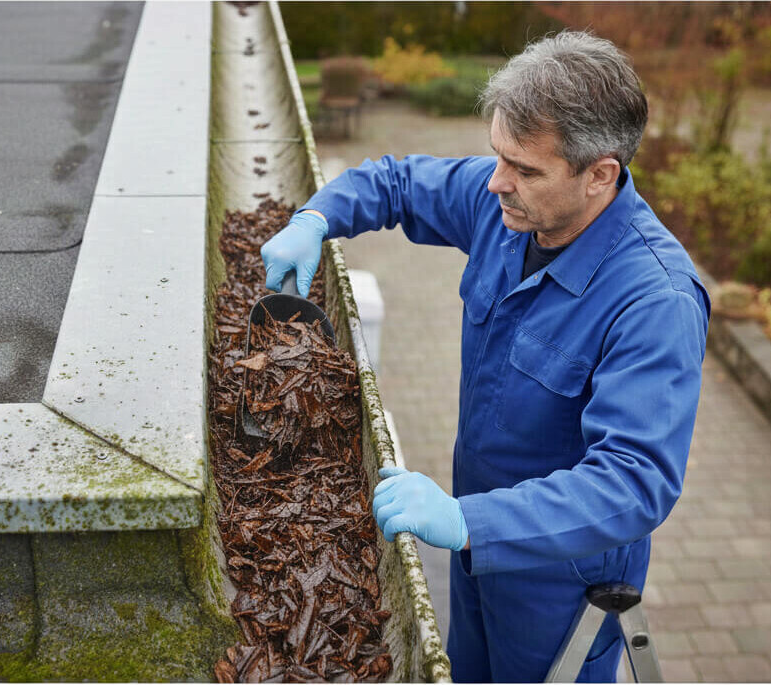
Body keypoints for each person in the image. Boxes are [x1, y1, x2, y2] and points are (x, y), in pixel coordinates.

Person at [260, 31, 710, 683]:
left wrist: (468, 519)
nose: (497, 181)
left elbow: (635, 479)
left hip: (558, 591)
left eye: (524, 168)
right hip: (473, 549)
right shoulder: (510, 206)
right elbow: (397, 182)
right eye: (498, 156)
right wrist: (317, 216)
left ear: (599, 175)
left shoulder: (654, 301)